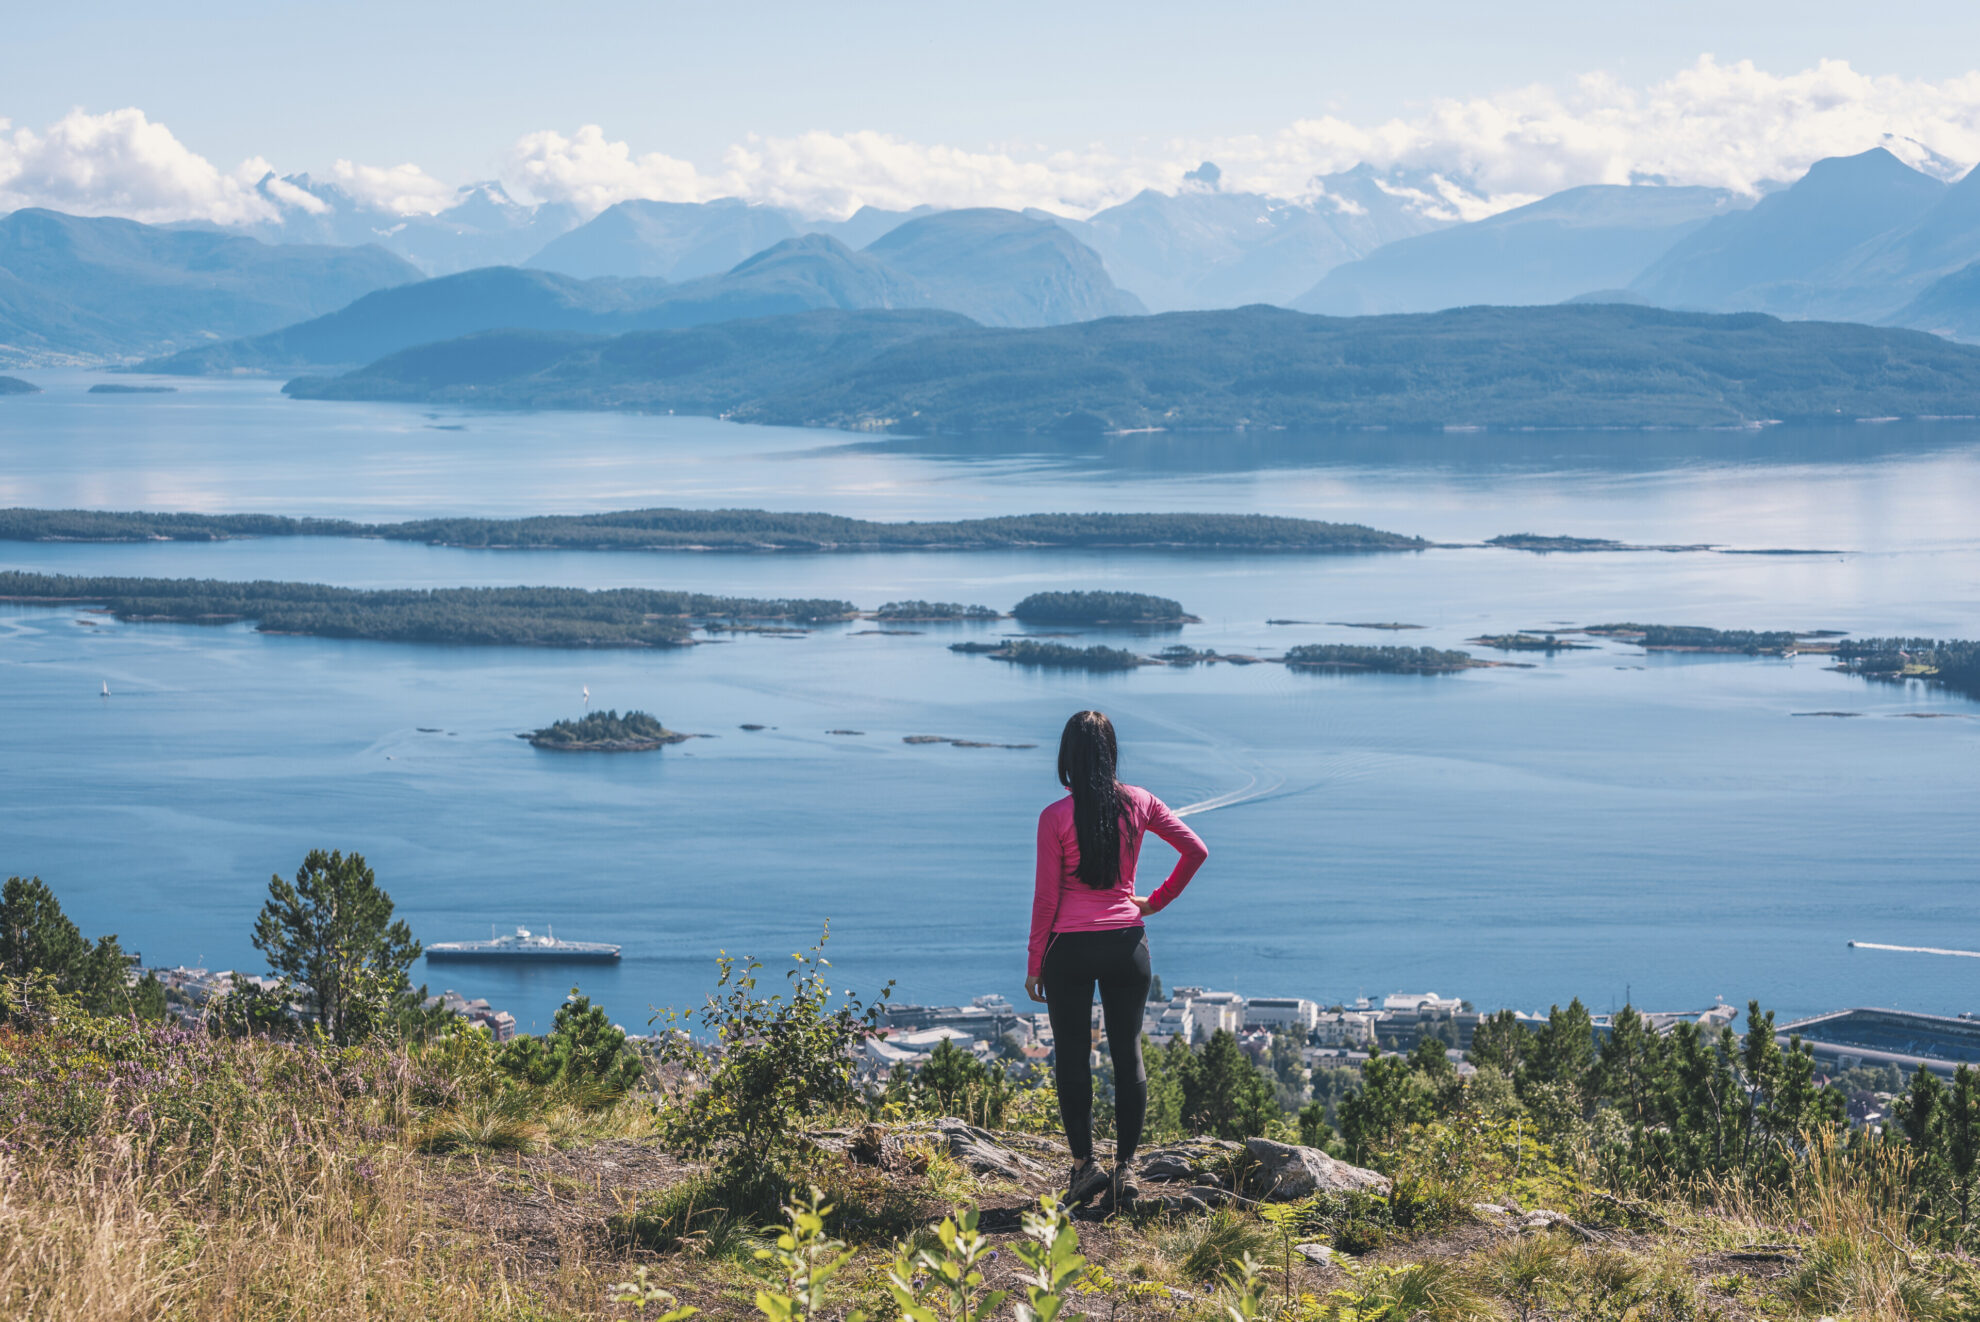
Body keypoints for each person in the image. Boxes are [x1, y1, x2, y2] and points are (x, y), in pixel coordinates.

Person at [1025, 709, 1208, 1211]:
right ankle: (1126, 1170)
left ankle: (1085, 1169)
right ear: (1111, 753)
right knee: (1128, 1055)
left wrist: (1035, 961)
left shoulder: (1054, 817)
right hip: (1128, 945)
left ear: (1067, 756)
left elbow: (1046, 899)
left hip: (1070, 949)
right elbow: (1195, 850)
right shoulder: (1141, 803)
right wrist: (1155, 900)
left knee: (1073, 1058)